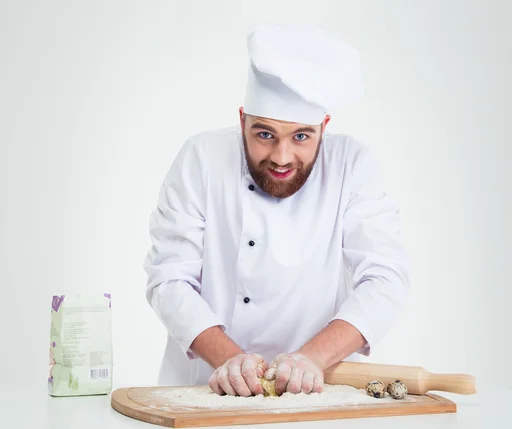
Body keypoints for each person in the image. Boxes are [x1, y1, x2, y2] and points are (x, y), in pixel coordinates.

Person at [143, 24, 410, 397]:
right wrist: (230, 360)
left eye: (301, 136)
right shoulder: (202, 159)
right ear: (242, 121)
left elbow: (385, 279)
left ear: (324, 127)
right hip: (205, 391)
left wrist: (311, 359)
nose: (282, 158)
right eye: (264, 134)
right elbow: (169, 279)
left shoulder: (352, 165)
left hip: (318, 392)